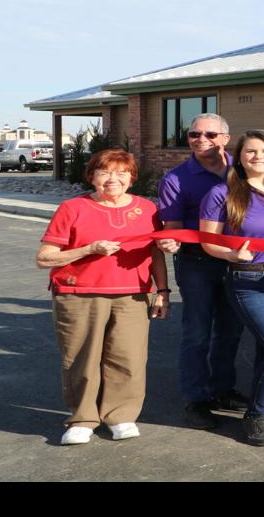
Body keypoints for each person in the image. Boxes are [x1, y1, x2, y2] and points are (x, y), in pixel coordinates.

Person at [36, 149, 170, 445]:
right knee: (81, 359)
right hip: (78, 294)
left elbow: (155, 254)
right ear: (92, 176)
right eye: (105, 172)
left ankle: (121, 416)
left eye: (122, 173)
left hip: (132, 295)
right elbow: (44, 258)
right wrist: (89, 249)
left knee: (129, 359)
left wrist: (162, 291)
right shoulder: (72, 208)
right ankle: (82, 418)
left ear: (132, 178)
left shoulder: (147, 209)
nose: (113, 179)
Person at [197, 130, 264, 447]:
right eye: (250, 151)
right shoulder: (223, 193)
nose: (258, 157)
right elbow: (207, 241)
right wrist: (230, 254)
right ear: (239, 157)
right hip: (250, 281)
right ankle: (256, 416)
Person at [155, 111, 245, 429]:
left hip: (238, 260)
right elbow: (173, 228)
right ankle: (196, 398)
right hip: (197, 263)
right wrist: (170, 243)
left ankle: (222, 389)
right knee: (197, 332)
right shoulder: (176, 179)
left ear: (225, 138)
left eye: (209, 134)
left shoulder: (243, 170)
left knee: (231, 330)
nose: (200, 139)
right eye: (194, 134)